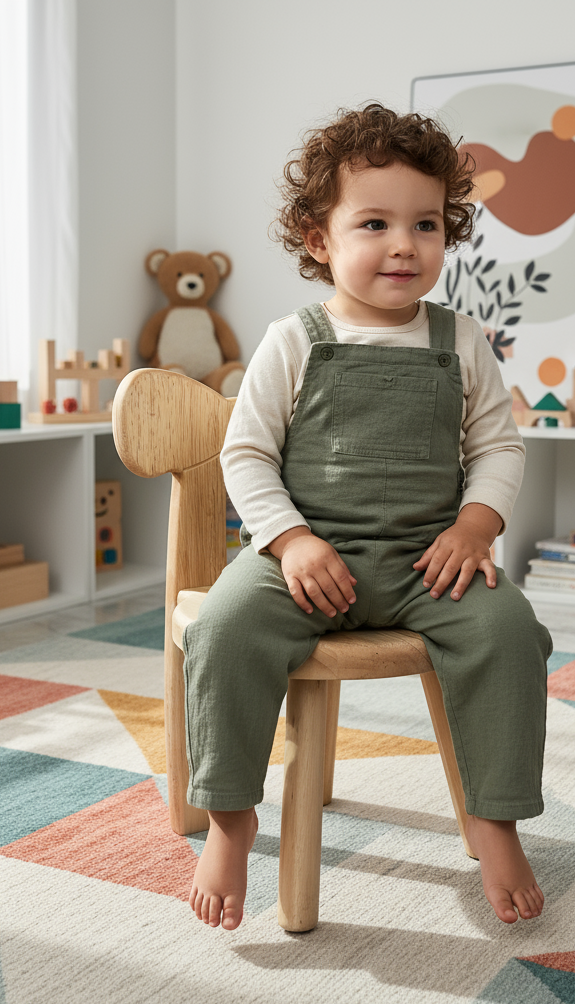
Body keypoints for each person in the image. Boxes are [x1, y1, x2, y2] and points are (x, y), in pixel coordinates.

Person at [183, 103, 552, 931]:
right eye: (375, 223)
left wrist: (475, 528)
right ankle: (232, 819)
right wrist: (290, 539)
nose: (403, 245)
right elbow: (245, 455)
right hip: (305, 564)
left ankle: (493, 820)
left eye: (426, 224)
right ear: (319, 239)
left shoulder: (459, 340)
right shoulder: (294, 340)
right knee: (223, 630)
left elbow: (499, 447)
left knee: (510, 632)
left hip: (431, 563)